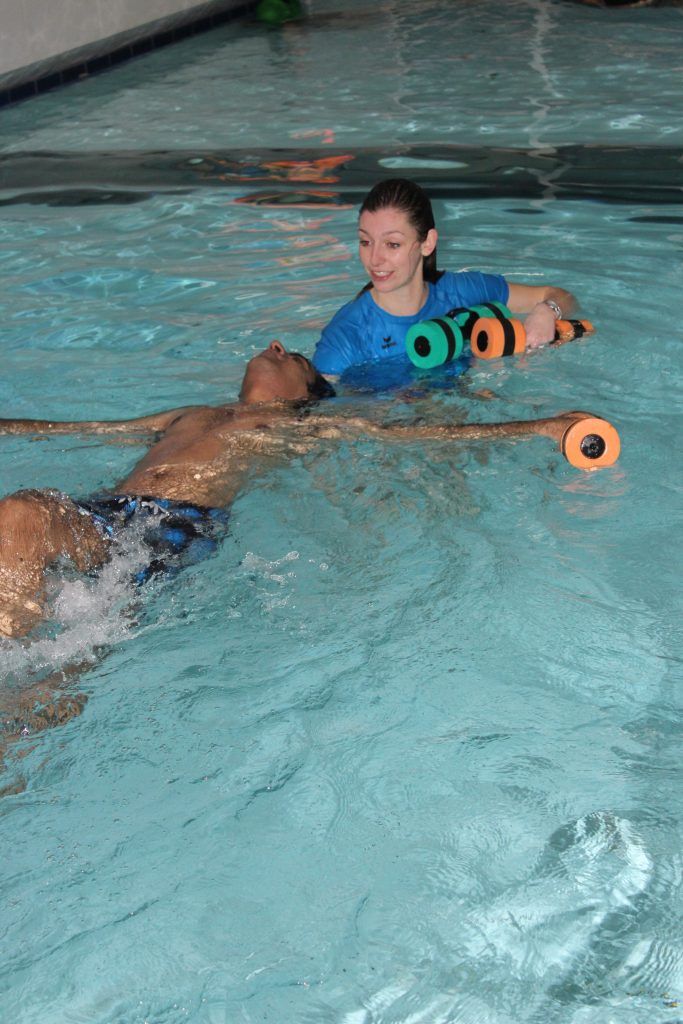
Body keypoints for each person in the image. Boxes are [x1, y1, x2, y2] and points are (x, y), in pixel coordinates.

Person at [0, 341, 597, 639]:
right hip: (109, 512)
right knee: (18, 515)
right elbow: (76, 429)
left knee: (37, 533)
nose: (277, 347)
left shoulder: (302, 424)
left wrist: (542, 427)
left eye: (296, 357)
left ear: (306, 387)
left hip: (172, 528)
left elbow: (419, 439)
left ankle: (30, 704)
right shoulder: (191, 412)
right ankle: (16, 651)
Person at [312, 178, 578, 377]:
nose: (374, 259)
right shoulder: (345, 337)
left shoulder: (462, 291)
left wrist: (547, 312)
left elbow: (559, 296)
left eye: (392, 244)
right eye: (365, 242)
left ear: (427, 243)